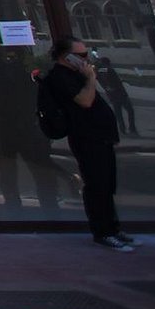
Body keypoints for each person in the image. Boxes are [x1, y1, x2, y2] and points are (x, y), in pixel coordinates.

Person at [42, 35, 134, 251]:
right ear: (67, 57)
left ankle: (113, 228)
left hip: (100, 137)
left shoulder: (75, 74)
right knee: (96, 186)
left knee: (106, 184)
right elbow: (85, 101)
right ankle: (103, 232)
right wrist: (91, 78)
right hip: (86, 137)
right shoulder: (60, 76)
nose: (86, 59)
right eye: (81, 55)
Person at [0, 37, 67, 212]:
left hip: (3, 130)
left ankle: (15, 207)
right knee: (38, 170)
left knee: (8, 173)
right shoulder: (14, 70)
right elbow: (34, 92)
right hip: (23, 127)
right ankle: (49, 206)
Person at [94, 55, 138, 138]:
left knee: (118, 113)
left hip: (112, 95)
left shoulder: (99, 72)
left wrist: (108, 87)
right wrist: (111, 86)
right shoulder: (107, 69)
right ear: (107, 63)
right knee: (130, 110)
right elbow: (106, 78)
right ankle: (132, 129)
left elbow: (100, 78)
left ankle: (122, 130)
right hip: (120, 94)